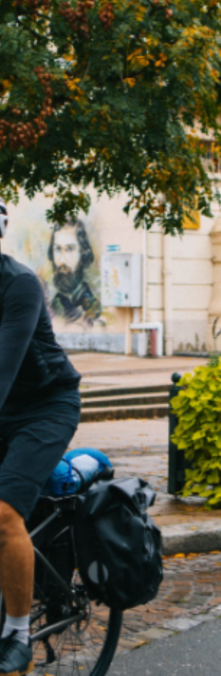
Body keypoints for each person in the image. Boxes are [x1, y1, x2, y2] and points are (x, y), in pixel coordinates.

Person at [0, 201, 81, 675]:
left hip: (45, 407)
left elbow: (4, 367)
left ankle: (17, 631)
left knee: (4, 511)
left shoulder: (19, 284)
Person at [48, 219, 101, 323]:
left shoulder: (91, 306)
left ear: (83, 253)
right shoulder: (55, 304)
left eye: (69, 249)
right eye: (58, 249)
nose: (62, 261)